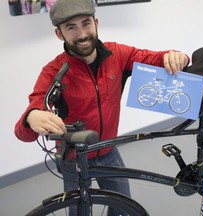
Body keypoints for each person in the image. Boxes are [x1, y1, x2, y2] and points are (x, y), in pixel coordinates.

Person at [14, 0, 189, 215]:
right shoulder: (53, 72)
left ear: (96, 23)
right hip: (73, 158)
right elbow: (25, 128)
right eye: (71, 27)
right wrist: (31, 117)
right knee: (79, 211)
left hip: (108, 150)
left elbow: (155, 58)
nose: (82, 34)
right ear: (59, 34)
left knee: (123, 207)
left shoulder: (118, 54)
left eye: (86, 23)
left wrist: (177, 56)